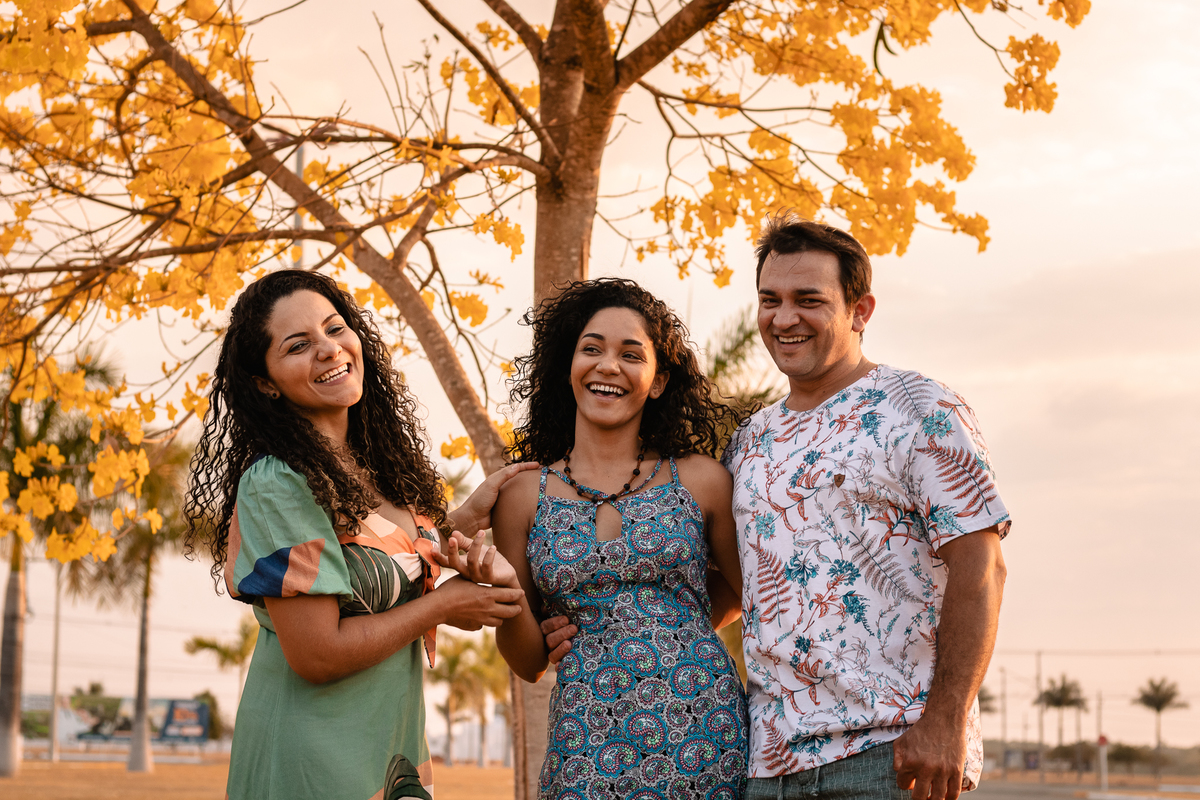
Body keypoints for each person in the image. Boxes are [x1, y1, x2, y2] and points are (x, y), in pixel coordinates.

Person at [184, 269, 529, 800]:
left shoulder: (379, 469)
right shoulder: (279, 481)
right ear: (265, 381)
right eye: (299, 345)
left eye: (334, 328)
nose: (328, 350)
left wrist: (460, 520)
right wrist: (443, 607)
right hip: (313, 757)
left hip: (388, 744)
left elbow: (388, 562)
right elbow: (317, 654)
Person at [720, 214, 1010, 800]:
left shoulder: (919, 407)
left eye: (809, 300)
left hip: (893, 755)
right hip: (765, 764)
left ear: (860, 310)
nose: (784, 318)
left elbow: (982, 570)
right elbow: (736, 591)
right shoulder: (749, 440)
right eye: (769, 300)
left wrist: (946, 721)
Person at [455, 278, 749, 800]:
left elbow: (750, 590)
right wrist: (503, 589)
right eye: (591, 349)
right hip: (585, 734)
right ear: (568, 367)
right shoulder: (522, 494)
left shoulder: (702, 480)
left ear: (657, 381)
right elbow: (527, 662)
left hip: (706, 728)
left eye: (631, 354)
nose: (608, 365)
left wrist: (673, 630)